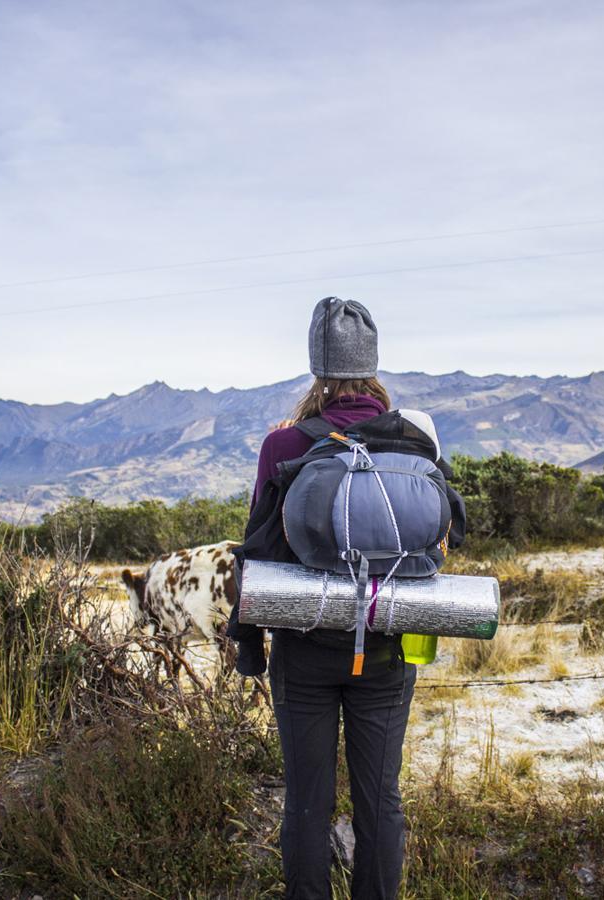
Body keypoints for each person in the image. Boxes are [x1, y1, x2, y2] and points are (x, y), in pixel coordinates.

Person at [231, 297, 425, 900]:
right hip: (389, 645)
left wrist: (249, 643)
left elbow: (258, 547)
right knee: (380, 801)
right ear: (373, 363)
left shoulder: (283, 447)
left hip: (305, 649)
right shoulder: (413, 441)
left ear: (317, 366)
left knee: (308, 804)